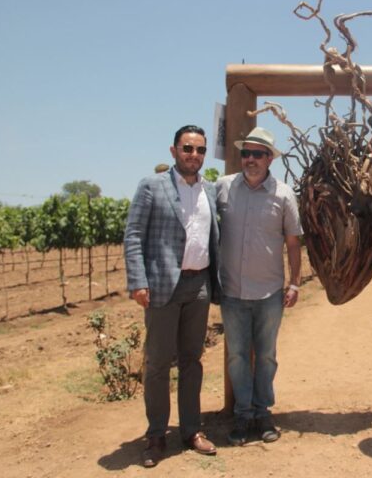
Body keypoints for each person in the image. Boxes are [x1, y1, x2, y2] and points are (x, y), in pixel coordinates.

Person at [124, 125, 220, 467]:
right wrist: (138, 280)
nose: (193, 155)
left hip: (199, 287)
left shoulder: (209, 189)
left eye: (199, 150)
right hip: (163, 285)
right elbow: (133, 235)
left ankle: (191, 430)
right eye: (187, 148)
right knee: (159, 363)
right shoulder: (152, 186)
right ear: (173, 150)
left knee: (192, 361)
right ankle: (156, 434)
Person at [215, 127, 302, 446]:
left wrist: (295, 282)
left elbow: (293, 242)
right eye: (246, 153)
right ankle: (242, 415)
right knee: (237, 356)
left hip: (269, 292)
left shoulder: (284, 193)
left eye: (258, 154)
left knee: (266, 356)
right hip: (232, 290)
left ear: (269, 159)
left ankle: (263, 412)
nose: (250, 159)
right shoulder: (222, 188)